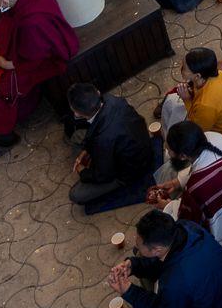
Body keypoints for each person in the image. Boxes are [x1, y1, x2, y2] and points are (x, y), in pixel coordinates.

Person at [0, 0, 77, 163]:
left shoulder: (33, 20)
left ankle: (5, 138)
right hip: (26, 50)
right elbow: (8, 22)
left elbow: (35, 59)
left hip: (45, 62)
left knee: (0, 91)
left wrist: (5, 64)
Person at [149, 120, 222, 248]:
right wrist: (178, 182)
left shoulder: (195, 188)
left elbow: (188, 221)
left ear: (183, 156)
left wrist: (168, 206)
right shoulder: (215, 137)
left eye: (170, 150)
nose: (167, 151)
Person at [65, 82, 157, 214]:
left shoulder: (102, 140)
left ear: (76, 113)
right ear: (97, 92)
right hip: (141, 146)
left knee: (76, 195)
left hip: (130, 172)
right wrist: (88, 150)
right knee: (78, 138)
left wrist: (82, 171)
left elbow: (103, 175)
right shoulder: (113, 100)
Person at [156, 47, 222, 139]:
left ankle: (167, 142)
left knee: (173, 109)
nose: (180, 68)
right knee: (171, 101)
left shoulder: (206, 105)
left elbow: (198, 128)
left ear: (197, 76)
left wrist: (187, 100)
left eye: (184, 68)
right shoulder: (219, 74)